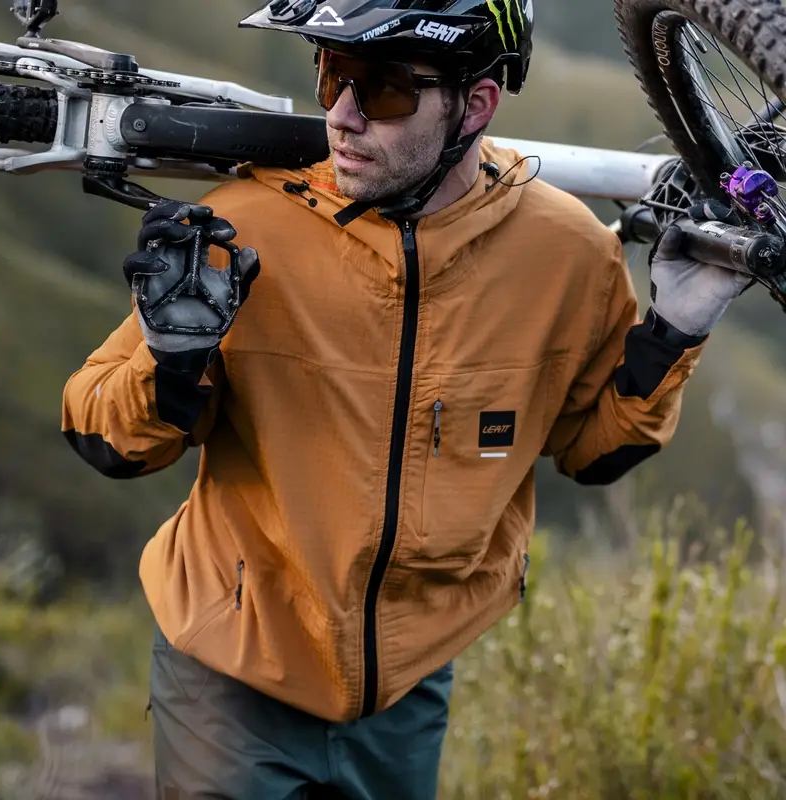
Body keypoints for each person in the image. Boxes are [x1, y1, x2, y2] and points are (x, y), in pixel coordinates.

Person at [60, 0, 752, 796]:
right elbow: (103, 439)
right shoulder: (240, 230)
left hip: (408, 686)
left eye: (384, 89)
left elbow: (595, 453)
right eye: (332, 76)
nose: (343, 116)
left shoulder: (569, 256)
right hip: (232, 667)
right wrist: (169, 363)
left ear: (476, 105)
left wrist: (674, 330)